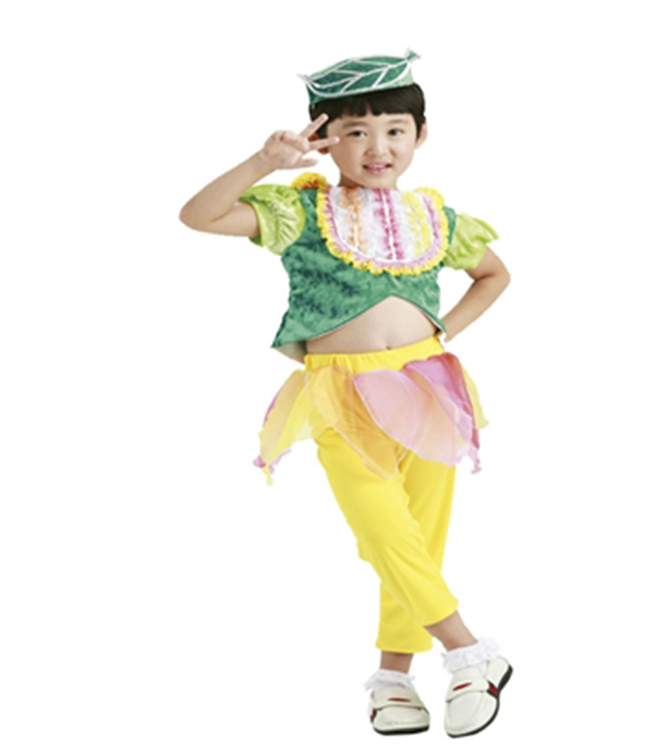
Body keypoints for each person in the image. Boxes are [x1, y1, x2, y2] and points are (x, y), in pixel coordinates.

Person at [179, 49, 513, 738]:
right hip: (341, 394)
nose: (377, 147)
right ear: (325, 138)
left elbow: (494, 274)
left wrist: (443, 332)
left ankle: (393, 677)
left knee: (419, 537)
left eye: (395, 130)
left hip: (428, 385)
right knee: (381, 530)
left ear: (421, 135)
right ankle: (469, 652)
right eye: (356, 131)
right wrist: (264, 162)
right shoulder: (304, 212)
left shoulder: (435, 218)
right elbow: (199, 215)